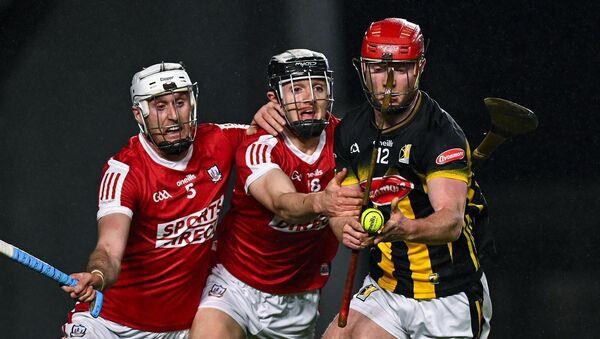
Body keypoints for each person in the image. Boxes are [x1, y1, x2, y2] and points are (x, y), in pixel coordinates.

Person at [60, 62, 281, 338]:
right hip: (109, 324)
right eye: (159, 106)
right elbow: (108, 250)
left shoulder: (220, 141)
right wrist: (98, 276)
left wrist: (270, 114)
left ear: (193, 102)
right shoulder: (124, 172)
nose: (173, 116)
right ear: (139, 115)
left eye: (180, 102)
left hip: (181, 330)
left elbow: (268, 134)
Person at [320, 18, 493, 339]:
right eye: (377, 69)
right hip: (387, 288)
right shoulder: (351, 131)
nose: (387, 82)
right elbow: (342, 210)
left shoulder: (441, 135)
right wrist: (346, 229)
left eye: (400, 69)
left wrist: (405, 228)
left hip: (447, 295)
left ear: (419, 68)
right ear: (361, 69)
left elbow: (451, 222)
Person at [189, 49, 363, 339]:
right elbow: (282, 204)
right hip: (235, 284)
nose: (309, 98)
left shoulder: (346, 141)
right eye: (296, 89)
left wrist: (352, 228)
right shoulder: (259, 144)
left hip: (298, 297)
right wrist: (323, 201)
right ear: (275, 100)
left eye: (318, 87)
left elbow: (339, 216)